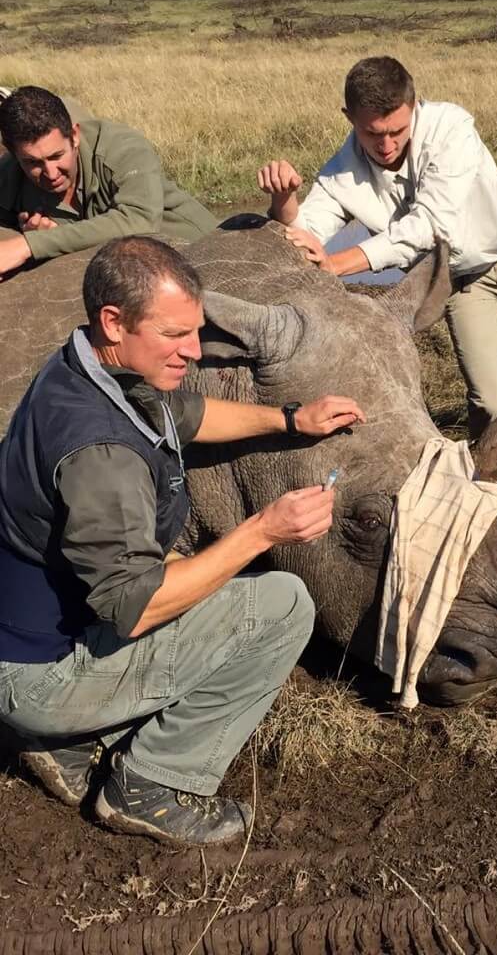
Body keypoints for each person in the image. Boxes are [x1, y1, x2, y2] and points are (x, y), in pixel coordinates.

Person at [0, 236, 367, 846]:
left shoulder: (86, 364)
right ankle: (151, 784)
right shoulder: (102, 454)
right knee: (282, 605)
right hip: (35, 673)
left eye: (195, 331)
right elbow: (136, 608)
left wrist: (289, 418)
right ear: (113, 321)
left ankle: (67, 742)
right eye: (175, 336)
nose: (193, 352)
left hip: (23, 627)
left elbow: (184, 414)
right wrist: (262, 531)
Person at [257, 56, 497, 453]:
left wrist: (337, 263)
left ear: (415, 106)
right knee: (489, 394)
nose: (386, 146)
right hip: (457, 276)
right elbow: (300, 236)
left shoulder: (452, 128)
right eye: (373, 134)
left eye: (397, 131)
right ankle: (490, 455)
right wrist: (284, 201)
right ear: (349, 117)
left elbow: (430, 225)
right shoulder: (342, 171)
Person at [0, 86, 217, 277]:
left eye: (57, 156)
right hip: (123, 274)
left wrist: (32, 244)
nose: (51, 173)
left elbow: (139, 220)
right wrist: (22, 232)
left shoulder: (123, 147)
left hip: (202, 252)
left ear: (74, 135)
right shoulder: (9, 173)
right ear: (13, 153)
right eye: (32, 163)